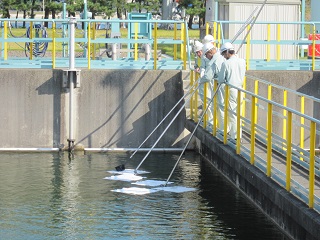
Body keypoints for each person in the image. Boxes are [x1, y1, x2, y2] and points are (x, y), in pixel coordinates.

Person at [218, 42, 246, 140]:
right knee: (240, 113)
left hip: (232, 89)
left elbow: (220, 79)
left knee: (233, 114)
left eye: (223, 54)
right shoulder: (242, 61)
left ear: (226, 52)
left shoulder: (226, 63)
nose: (223, 56)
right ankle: (240, 135)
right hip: (241, 89)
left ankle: (235, 137)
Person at [199, 43, 225, 126]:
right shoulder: (222, 56)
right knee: (230, 110)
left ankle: (222, 130)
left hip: (221, 85)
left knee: (221, 107)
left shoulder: (214, 60)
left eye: (206, 55)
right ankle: (232, 133)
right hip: (231, 85)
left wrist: (200, 80)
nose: (206, 57)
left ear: (210, 52)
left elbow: (208, 76)